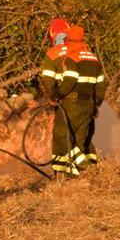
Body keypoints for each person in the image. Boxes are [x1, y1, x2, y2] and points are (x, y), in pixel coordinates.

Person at [38, 18, 78, 178]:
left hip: (65, 100)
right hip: (84, 98)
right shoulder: (80, 50)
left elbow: (48, 80)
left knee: (62, 135)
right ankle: (80, 169)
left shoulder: (53, 53)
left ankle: (63, 172)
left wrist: (53, 97)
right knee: (81, 134)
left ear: (52, 35)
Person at [64, 25, 106, 170]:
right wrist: (97, 101)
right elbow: (101, 84)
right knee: (83, 137)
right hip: (90, 103)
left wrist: (58, 94)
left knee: (69, 137)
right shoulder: (94, 59)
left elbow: (69, 81)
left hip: (74, 103)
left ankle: (83, 167)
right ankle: (90, 165)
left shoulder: (72, 58)